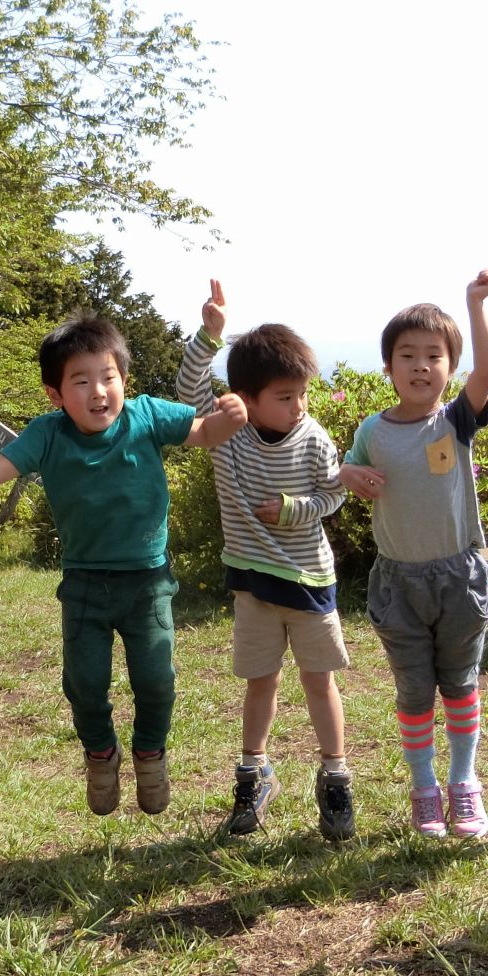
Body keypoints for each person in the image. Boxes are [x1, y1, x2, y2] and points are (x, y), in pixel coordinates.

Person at [0, 316, 248, 816]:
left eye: (108, 377)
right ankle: (101, 752)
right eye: (80, 381)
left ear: (124, 380)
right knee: (83, 682)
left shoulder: (146, 415)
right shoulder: (48, 433)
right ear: (55, 394)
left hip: (148, 582)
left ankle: (150, 751)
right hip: (84, 584)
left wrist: (230, 418)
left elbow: (204, 431)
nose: (98, 391)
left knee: (156, 679)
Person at [178, 280, 354, 840]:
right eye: (284, 396)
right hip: (253, 584)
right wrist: (210, 336)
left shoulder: (314, 439)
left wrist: (295, 508)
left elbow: (335, 494)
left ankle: (335, 778)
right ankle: (254, 772)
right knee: (261, 681)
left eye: (302, 393)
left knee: (319, 681)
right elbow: (188, 389)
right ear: (248, 399)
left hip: (309, 581)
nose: (298, 405)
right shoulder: (226, 431)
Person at [339, 273, 488, 838]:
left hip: (459, 577)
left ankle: (464, 783)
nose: (421, 364)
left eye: (434, 355)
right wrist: (346, 474)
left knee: (460, 683)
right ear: (388, 366)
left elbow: (487, 370)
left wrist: (475, 306)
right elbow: (343, 479)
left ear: (449, 368)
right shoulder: (372, 431)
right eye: (407, 354)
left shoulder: (454, 421)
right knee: (413, 690)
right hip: (397, 581)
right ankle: (424, 788)